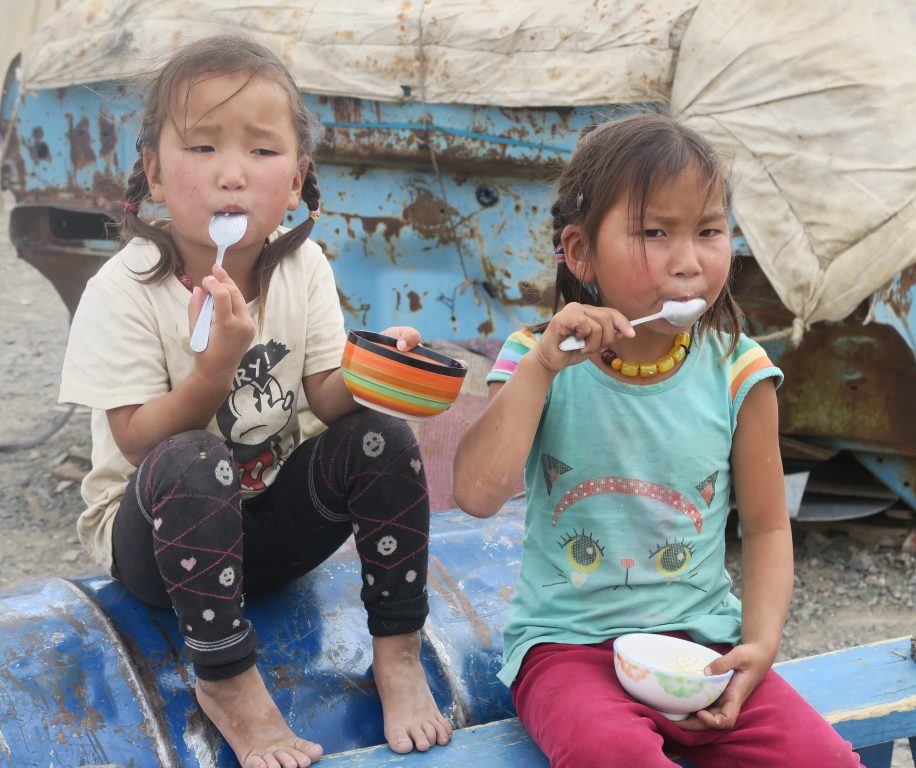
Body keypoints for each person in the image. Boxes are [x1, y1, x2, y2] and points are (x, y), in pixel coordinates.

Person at [59, 34, 452, 768]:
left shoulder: (301, 266)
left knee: (380, 437)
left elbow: (328, 402)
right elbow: (140, 440)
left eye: (262, 153)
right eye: (202, 148)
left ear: (297, 180)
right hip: (157, 547)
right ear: (153, 171)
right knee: (193, 458)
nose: (232, 174)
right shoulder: (124, 290)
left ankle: (397, 652)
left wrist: (374, 373)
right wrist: (214, 373)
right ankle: (228, 682)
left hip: (271, 531)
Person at [452, 113, 863, 768]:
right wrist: (541, 369)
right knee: (614, 754)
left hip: (702, 650)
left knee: (829, 761)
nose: (689, 261)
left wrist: (757, 645)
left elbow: (764, 528)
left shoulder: (740, 370)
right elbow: (475, 493)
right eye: (655, 232)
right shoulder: (538, 358)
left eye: (708, 231)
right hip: (567, 649)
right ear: (581, 253)